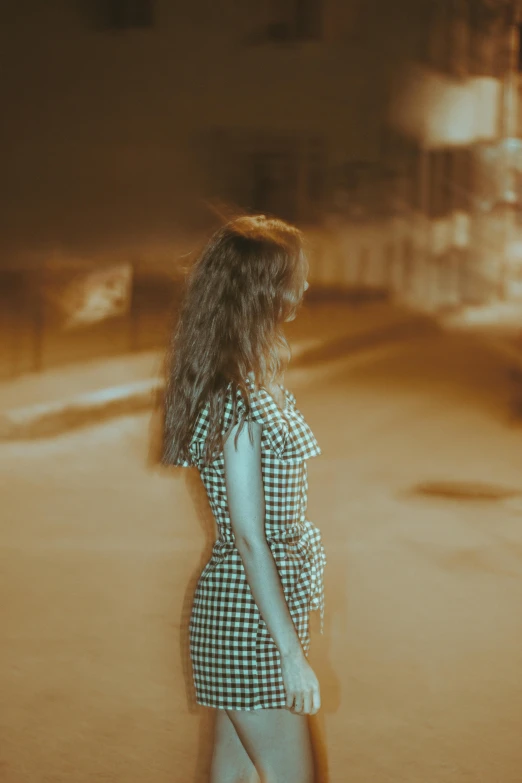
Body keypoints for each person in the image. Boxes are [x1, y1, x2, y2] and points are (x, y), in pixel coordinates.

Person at [162, 215, 327, 783]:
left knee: (229, 776)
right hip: (248, 615)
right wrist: (290, 655)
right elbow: (249, 538)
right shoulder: (236, 396)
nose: (303, 286)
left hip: (250, 608)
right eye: (294, 277)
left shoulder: (247, 379)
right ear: (263, 289)